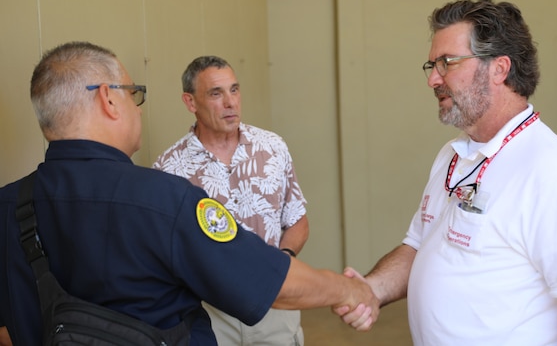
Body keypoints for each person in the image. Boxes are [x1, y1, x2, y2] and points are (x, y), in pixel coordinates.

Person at [0, 41, 378, 346]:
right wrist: (349, 290)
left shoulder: (8, 207)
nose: (139, 110)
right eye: (135, 94)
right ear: (108, 99)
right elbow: (268, 281)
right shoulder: (163, 197)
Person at [336, 0, 557, 345]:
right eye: (432, 65)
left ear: (499, 69)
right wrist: (370, 288)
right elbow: (418, 245)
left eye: (447, 63)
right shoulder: (453, 154)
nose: (433, 79)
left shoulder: (551, 170)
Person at [153, 55, 309, 345]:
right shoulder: (169, 168)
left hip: (274, 302)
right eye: (216, 93)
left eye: (234, 90)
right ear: (190, 102)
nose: (230, 102)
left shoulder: (272, 147)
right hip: (207, 311)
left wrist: (282, 261)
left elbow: (297, 219)